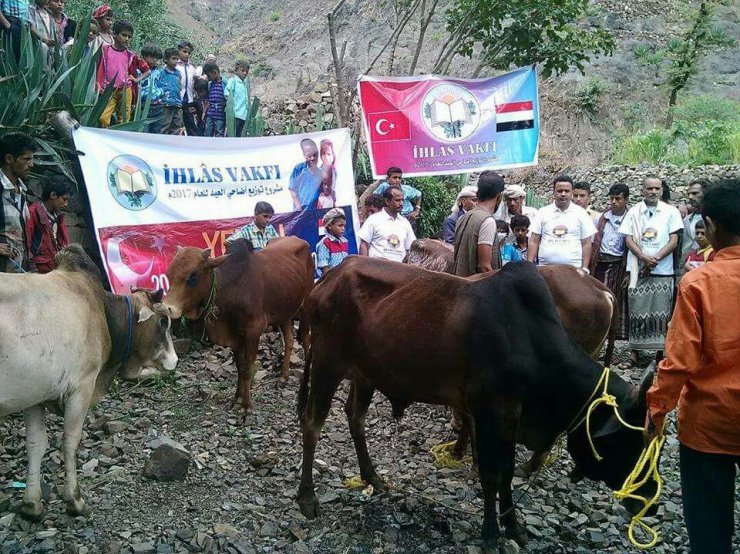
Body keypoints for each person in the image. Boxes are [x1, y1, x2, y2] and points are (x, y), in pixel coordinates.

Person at [644, 178, 740, 554]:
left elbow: (680, 360)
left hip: (709, 424)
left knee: (710, 529)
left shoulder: (698, 282)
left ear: (711, 227)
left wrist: (657, 408)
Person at [619, 177, 683, 362]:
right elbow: (629, 239)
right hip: (638, 269)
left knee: (660, 313)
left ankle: (659, 354)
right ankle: (635, 352)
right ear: (642, 191)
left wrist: (656, 258)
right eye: (649, 188)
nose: (653, 192)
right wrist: (643, 257)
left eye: (657, 188)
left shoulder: (671, 212)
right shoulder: (634, 212)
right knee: (637, 311)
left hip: (662, 270)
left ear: (662, 190)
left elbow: (674, 240)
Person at [527, 175, 596, 270]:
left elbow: (586, 243)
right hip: (545, 269)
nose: (563, 194)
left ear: (572, 192)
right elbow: (534, 240)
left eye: (567, 191)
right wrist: (530, 266)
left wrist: (584, 268)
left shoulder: (581, 214)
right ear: (553, 193)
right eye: (559, 191)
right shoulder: (543, 212)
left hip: (573, 270)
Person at [590, 183, 630, 344]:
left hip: (618, 264)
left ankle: (614, 332)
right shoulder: (604, 218)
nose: (614, 202)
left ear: (626, 200)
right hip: (600, 262)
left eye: (618, 199)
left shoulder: (630, 218)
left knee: (614, 297)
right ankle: (598, 330)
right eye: (612, 198)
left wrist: (628, 270)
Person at [95, 20, 149, 128]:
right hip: (109, 90)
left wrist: (137, 80)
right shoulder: (105, 50)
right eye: (124, 35)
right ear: (114, 33)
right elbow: (98, 67)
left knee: (124, 120)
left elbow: (147, 71)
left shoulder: (131, 55)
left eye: (129, 36)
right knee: (103, 118)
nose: (127, 39)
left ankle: (120, 141)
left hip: (125, 89)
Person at [452, 171, 505, 277]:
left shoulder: (463, 217)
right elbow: (483, 267)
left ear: (478, 194)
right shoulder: (487, 221)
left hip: (461, 285)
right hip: (478, 290)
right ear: (499, 197)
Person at [0, 132, 35, 273]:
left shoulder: (21, 191)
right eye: (26, 159)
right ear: (9, 159)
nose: (31, 165)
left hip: (17, 273)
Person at [25, 175, 71, 273]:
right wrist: (31, 266)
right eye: (64, 199)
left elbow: (64, 242)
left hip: (56, 267)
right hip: (40, 269)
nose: (66, 204)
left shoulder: (59, 216)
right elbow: (27, 242)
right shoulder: (33, 213)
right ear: (53, 195)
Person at [358, 185, 415, 262]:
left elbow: (410, 249)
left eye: (402, 200)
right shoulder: (373, 219)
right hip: (376, 269)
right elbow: (364, 244)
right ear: (387, 201)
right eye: (397, 200)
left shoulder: (405, 223)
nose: (401, 203)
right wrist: (364, 266)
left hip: (399, 270)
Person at [288, 138, 322, 210]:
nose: (312, 158)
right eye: (309, 156)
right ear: (304, 155)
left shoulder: (321, 173)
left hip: (314, 213)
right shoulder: (299, 169)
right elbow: (292, 189)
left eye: (315, 155)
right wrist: (299, 208)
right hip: (299, 212)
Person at [681, 179, 708, 265]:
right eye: (688, 194)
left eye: (694, 193)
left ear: (705, 194)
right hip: (686, 263)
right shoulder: (687, 219)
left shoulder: (715, 219)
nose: (690, 197)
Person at [157, 48, 183, 135]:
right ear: (166, 59)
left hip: (177, 103)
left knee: (176, 126)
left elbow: (179, 87)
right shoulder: (161, 73)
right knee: (164, 125)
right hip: (166, 103)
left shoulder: (178, 74)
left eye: (177, 59)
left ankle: (173, 146)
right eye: (173, 58)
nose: (175, 61)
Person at [315, 208, 349, 275]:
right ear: (330, 226)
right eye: (340, 226)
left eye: (344, 226)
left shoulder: (344, 242)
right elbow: (325, 269)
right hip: (331, 281)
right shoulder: (324, 243)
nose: (343, 229)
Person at [176, 40, 198, 136]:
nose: (187, 54)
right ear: (179, 51)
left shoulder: (192, 68)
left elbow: (194, 84)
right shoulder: (174, 65)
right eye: (184, 51)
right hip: (177, 99)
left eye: (189, 53)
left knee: (191, 124)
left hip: (189, 100)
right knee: (176, 124)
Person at [140, 44, 163, 133]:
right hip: (143, 105)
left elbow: (162, 87)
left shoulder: (159, 73)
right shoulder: (138, 71)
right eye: (152, 57)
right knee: (143, 131)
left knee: (156, 132)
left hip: (157, 106)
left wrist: (160, 94)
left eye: (157, 58)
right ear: (144, 56)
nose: (155, 60)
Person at [224, 60, 249, 137]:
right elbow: (227, 93)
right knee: (232, 135)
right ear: (236, 71)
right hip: (235, 114)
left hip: (244, 115)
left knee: (239, 136)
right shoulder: (233, 81)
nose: (245, 73)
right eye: (242, 70)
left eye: (246, 71)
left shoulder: (245, 84)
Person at [28, 0, 55, 68]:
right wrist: (44, 40)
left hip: (49, 44)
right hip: (37, 43)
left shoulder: (49, 13)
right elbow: (32, 27)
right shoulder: (31, 9)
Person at [202, 62, 226, 137]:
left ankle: (218, 148)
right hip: (210, 114)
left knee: (219, 132)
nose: (208, 78)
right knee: (207, 132)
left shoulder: (225, 84)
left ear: (215, 72)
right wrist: (204, 112)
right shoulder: (210, 85)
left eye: (209, 76)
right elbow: (208, 100)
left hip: (220, 115)